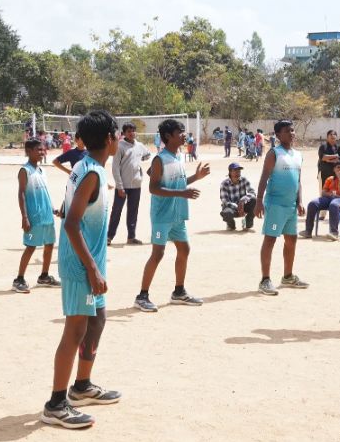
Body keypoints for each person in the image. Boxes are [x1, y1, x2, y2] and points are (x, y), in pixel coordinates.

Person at [41, 110, 121, 429]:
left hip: (90, 260)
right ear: (107, 139)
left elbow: (70, 212)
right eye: (115, 133)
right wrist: (91, 268)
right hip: (81, 265)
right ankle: (56, 403)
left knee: (97, 320)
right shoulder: (91, 173)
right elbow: (72, 224)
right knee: (75, 329)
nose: (118, 138)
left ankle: (82, 387)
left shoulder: (85, 168)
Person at [134, 118, 211, 311]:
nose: (185, 135)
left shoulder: (178, 157)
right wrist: (181, 193)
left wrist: (196, 177)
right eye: (181, 132)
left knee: (184, 250)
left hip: (177, 215)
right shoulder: (160, 158)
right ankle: (142, 296)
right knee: (158, 253)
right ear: (168, 136)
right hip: (162, 216)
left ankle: (179, 292)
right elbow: (153, 188)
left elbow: (179, 183)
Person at [255, 119, 307, 294]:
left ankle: (288, 276)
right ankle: (265, 280)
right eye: (287, 131)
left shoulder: (298, 155)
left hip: (291, 205)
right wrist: (258, 201)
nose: (291, 133)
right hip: (276, 204)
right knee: (270, 239)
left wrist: (299, 201)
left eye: (292, 130)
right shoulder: (274, 153)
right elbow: (264, 178)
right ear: (278, 135)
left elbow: (298, 181)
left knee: (291, 239)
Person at [14, 137, 61, 292]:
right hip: (34, 218)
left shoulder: (42, 171)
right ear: (29, 152)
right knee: (31, 247)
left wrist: (53, 209)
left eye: (43, 149)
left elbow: (44, 193)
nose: (42, 152)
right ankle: (19, 279)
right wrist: (24, 217)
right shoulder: (24, 170)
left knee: (49, 245)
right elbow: (21, 194)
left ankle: (44, 276)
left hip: (46, 216)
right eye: (38, 150)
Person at [108, 122, 150, 245]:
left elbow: (147, 155)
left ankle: (131, 237)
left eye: (133, 130)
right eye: (129, 131)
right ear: (124, 133)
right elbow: (115, 167)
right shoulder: (120, 146)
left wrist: (141, 161)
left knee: (133, 211)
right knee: (116, 211)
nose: (132, 133)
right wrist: (119, 186)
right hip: (123, 186)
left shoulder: (139, 145)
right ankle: (109, 236)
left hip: (136, 185)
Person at [301, 160, 340, 240]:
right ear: (334, 169)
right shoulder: (330, 179)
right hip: (329, 198)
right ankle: (308, 231)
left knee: (334, 204)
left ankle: (334, 232)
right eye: (338, 167)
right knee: (312, 203)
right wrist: (330, 194)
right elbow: (323, 192)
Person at [220, 162, 256, 230]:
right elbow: (225, 201)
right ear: (230, 172)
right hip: (231, 207)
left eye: (239, 170)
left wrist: (243, 200)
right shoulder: (224, 184)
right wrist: (238, 207)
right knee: (226, 213)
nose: (238, 172)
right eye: (235, 170)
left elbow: (252, 192)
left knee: (255, 201)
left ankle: (247, 224)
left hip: (243, 206)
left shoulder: (244, 180)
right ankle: (231, 225)